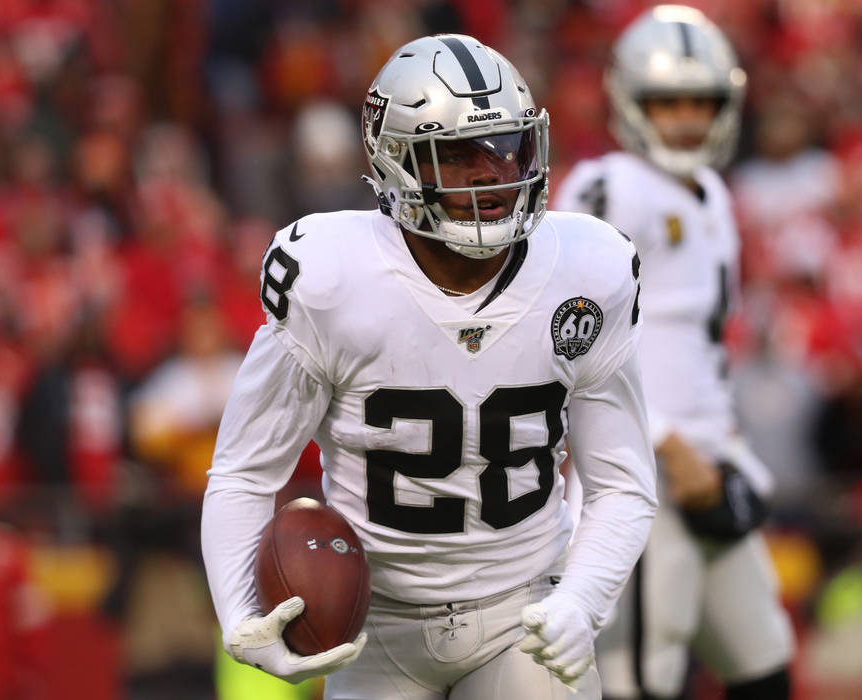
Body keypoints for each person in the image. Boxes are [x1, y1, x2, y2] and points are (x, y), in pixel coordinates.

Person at [202, 34, 658, 699]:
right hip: (371, 628)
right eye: (458, 154)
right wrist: (241, 610)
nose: (493, 174)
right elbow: (245, 470)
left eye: (507, 147)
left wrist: (579, 602)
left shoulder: (588, 269)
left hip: (522, 610)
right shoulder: (331, 276)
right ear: (395, 161)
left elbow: (621, 482)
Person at [554, 7, 794, 700]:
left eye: (701, 100)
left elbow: (698, 342)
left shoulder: (715, 193)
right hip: (642, 473)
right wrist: (663, 439)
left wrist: (718, 436)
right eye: (669, 101)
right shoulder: (608, 187)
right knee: (641, 675)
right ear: (630, 101)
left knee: (764, 661)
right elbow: (571, 336)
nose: (687, 117)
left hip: (711, 461)